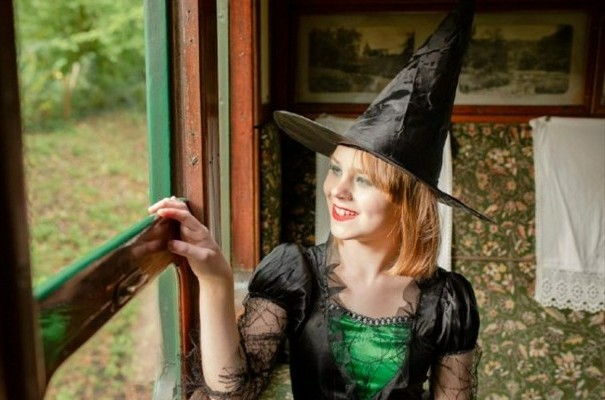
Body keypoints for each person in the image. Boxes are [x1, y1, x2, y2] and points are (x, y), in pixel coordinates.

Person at [149, 0, 489, 398]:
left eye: (363, 180)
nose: (337, 190)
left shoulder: (448, 299)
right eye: (336, 169)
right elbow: (232, 394)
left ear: (406, 203)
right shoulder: (295, 274)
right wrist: (216, 281)